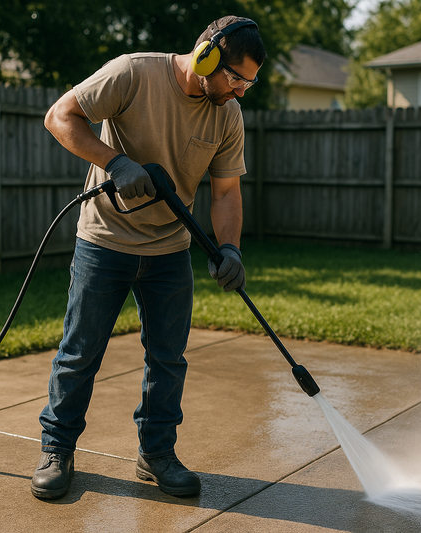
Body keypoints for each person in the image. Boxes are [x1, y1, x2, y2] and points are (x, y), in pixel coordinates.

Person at [30, 15, 266, 501]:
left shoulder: (226, 115)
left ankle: (156, 454)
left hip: (170, 248)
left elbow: (225, 192)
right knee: (80, 353)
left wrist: (230, 248)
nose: (241, 90)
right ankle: (57, 448)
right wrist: (114, 161)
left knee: (168, 358)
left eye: (250, 83)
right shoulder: (133, 72)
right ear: (208, 55)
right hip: (105, 240)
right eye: (236, 77)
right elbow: (60, 116)